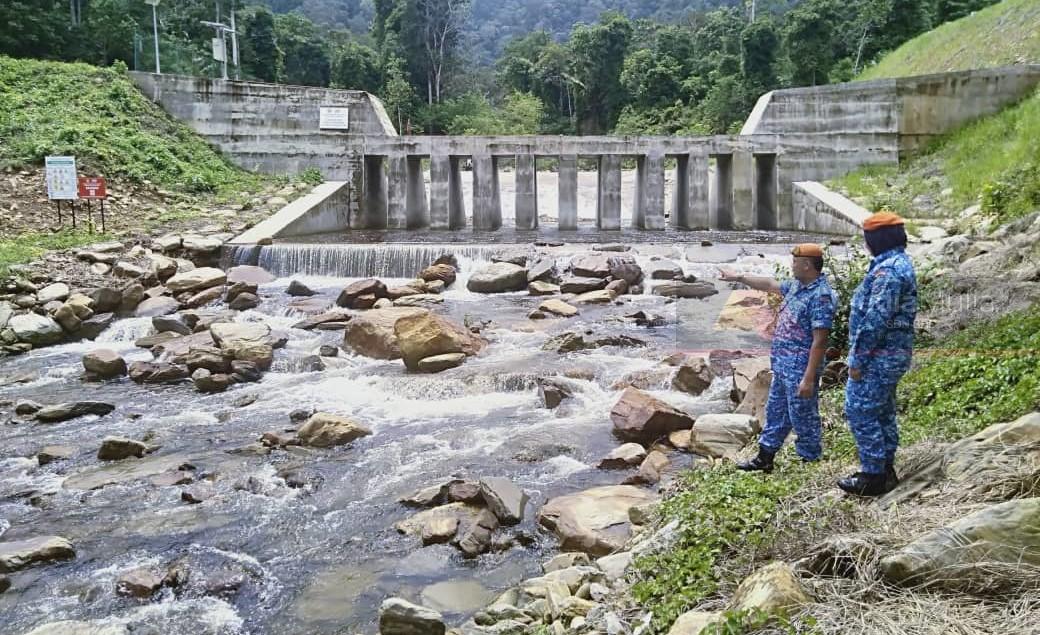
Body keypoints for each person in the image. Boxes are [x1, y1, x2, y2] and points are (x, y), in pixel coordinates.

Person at [719, 243, 837, 472]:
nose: (791, 265)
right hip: (783, 364)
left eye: (794, 262)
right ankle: (765, 457)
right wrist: (740, 277)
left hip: (801, 367)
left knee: (803, 415)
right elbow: (770, 284)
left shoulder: (821, 296)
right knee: (775, 410)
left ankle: (810, 461)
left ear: (806, 265)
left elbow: (820, 340)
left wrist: (809, 378)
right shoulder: (796, 286)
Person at [838, 211, 918, 496]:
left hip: (879, 356)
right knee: (882, 411)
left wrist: (857, 360)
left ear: (876, 239)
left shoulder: (889, 272)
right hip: (889, 354)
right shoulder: (894, 264)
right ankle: (885, 471)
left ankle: (872, 477)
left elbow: (875, 320)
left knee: (860, 410)